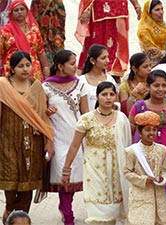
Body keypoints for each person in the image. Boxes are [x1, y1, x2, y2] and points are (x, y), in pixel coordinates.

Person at [62, 81, 131, 224]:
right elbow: (74, 146)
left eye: (112, 94)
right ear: (97, 96)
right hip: (94, 169)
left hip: (117, 168)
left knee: (117, 208)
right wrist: (66, 169)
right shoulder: (86, 119)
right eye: (104, 94)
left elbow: (127, 146)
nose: (108, 98)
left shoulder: (121, 118)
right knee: (98, 210)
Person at [0, 51, 54, 223]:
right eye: (20, 66)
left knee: (29, 180)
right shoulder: (3, 85)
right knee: (10, 176)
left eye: (28, 65)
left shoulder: (36, 86)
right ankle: (10, 207)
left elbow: (41, 117)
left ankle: (21, 220)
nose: (25, 69)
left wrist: (48, 141)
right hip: (7, 138)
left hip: (32, 140)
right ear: (12, 68)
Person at [43, 50, 89, 225]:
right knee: (64, 178)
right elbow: (40, 114)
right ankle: (68, 217)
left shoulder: (80, 84)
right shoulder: (46, 87)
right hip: (57, 137)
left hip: (77, 138)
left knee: (75, 177)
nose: (75, 66)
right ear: (60, 66)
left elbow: (85, 113)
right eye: (71, 63)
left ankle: (65, 208)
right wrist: (46, 112)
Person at [124, 111, 166, 225]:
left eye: (154, 129)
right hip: (141, 196)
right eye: (147, 130)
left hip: (159, 196)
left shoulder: (162, 150)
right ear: (139, 132)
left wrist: (163, 179)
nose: (152, 133)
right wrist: (144, 180)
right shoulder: (131, 151)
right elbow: (127, 172)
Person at [76, 0, 142, 78]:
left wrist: (136, 5)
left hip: (118, 11)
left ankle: (113, 73)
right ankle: (92, 72)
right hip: (99, 10)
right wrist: (86, 9)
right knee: (96, 42)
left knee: (117, 43)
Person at [129, 70, 166, 160]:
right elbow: (130, 131)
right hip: (143, 153)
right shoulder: (139, 107)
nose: (161, 89)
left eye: (164, 85)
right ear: (148, 86)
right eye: (156, 85)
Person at [0, 0, 50, 81]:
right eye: (16, 10)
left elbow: (40, 51)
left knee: (33, 92)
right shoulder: (4, 31)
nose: (19, 12)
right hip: (12, 70)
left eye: (22, 9)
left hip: (32, 69)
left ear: (27, 11)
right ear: (11, 13)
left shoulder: (34, 29)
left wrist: (46, 68)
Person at [79, 44, 119, 110]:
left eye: (107, 57)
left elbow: (116, 104)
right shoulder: (81, 81)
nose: (107, 61)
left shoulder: (110, 80)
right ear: (92, 60)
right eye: (103, 58)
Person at [137, 0, 166, 66]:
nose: (161, 12)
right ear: (149, 13)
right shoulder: (144, 30)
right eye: (157, 10)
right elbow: (153, 53)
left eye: (162, 9)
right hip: (154, 65)